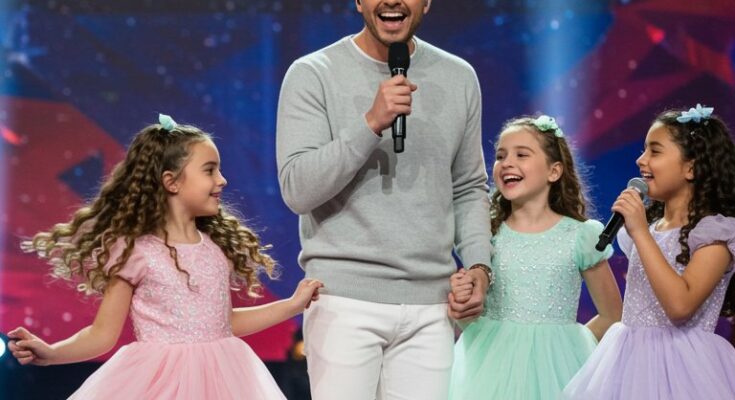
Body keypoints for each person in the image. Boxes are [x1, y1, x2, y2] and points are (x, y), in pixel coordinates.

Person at [7, 114, 322, 400]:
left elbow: (223, 324)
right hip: (159, 384)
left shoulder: (215, 248)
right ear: (171, 182)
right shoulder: (136, 253)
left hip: (226, 379)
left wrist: (291, 305)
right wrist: (52, 353)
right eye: (210, 170)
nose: (222, 180)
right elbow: (102, 334)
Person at [275, 0, 492, 398]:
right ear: (359, 1)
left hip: (432, 305)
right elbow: (297, 190)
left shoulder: (459, 76)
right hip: (343, 301)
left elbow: (468, 187)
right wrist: (370, 123)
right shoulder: (313, 73)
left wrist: (479, 265)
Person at [561, 105, 735, 399]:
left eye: (655, 151)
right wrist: (642, 232)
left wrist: (641, 232)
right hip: (627, 363)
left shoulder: (714, 234)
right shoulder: (647, 231)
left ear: (691, 167)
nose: (640, 160)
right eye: (644, 150)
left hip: (685, 372)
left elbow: (680, 307)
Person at [447, 115, 623, 399]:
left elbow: (612, 315)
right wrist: (462, 306)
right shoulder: (484, 235)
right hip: (490, 370)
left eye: (521, 154)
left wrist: (568, 345)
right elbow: (472, 321)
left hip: (559, 375)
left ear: (554, 171)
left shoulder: (581, 236)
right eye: (500, 156)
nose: (506, 163)